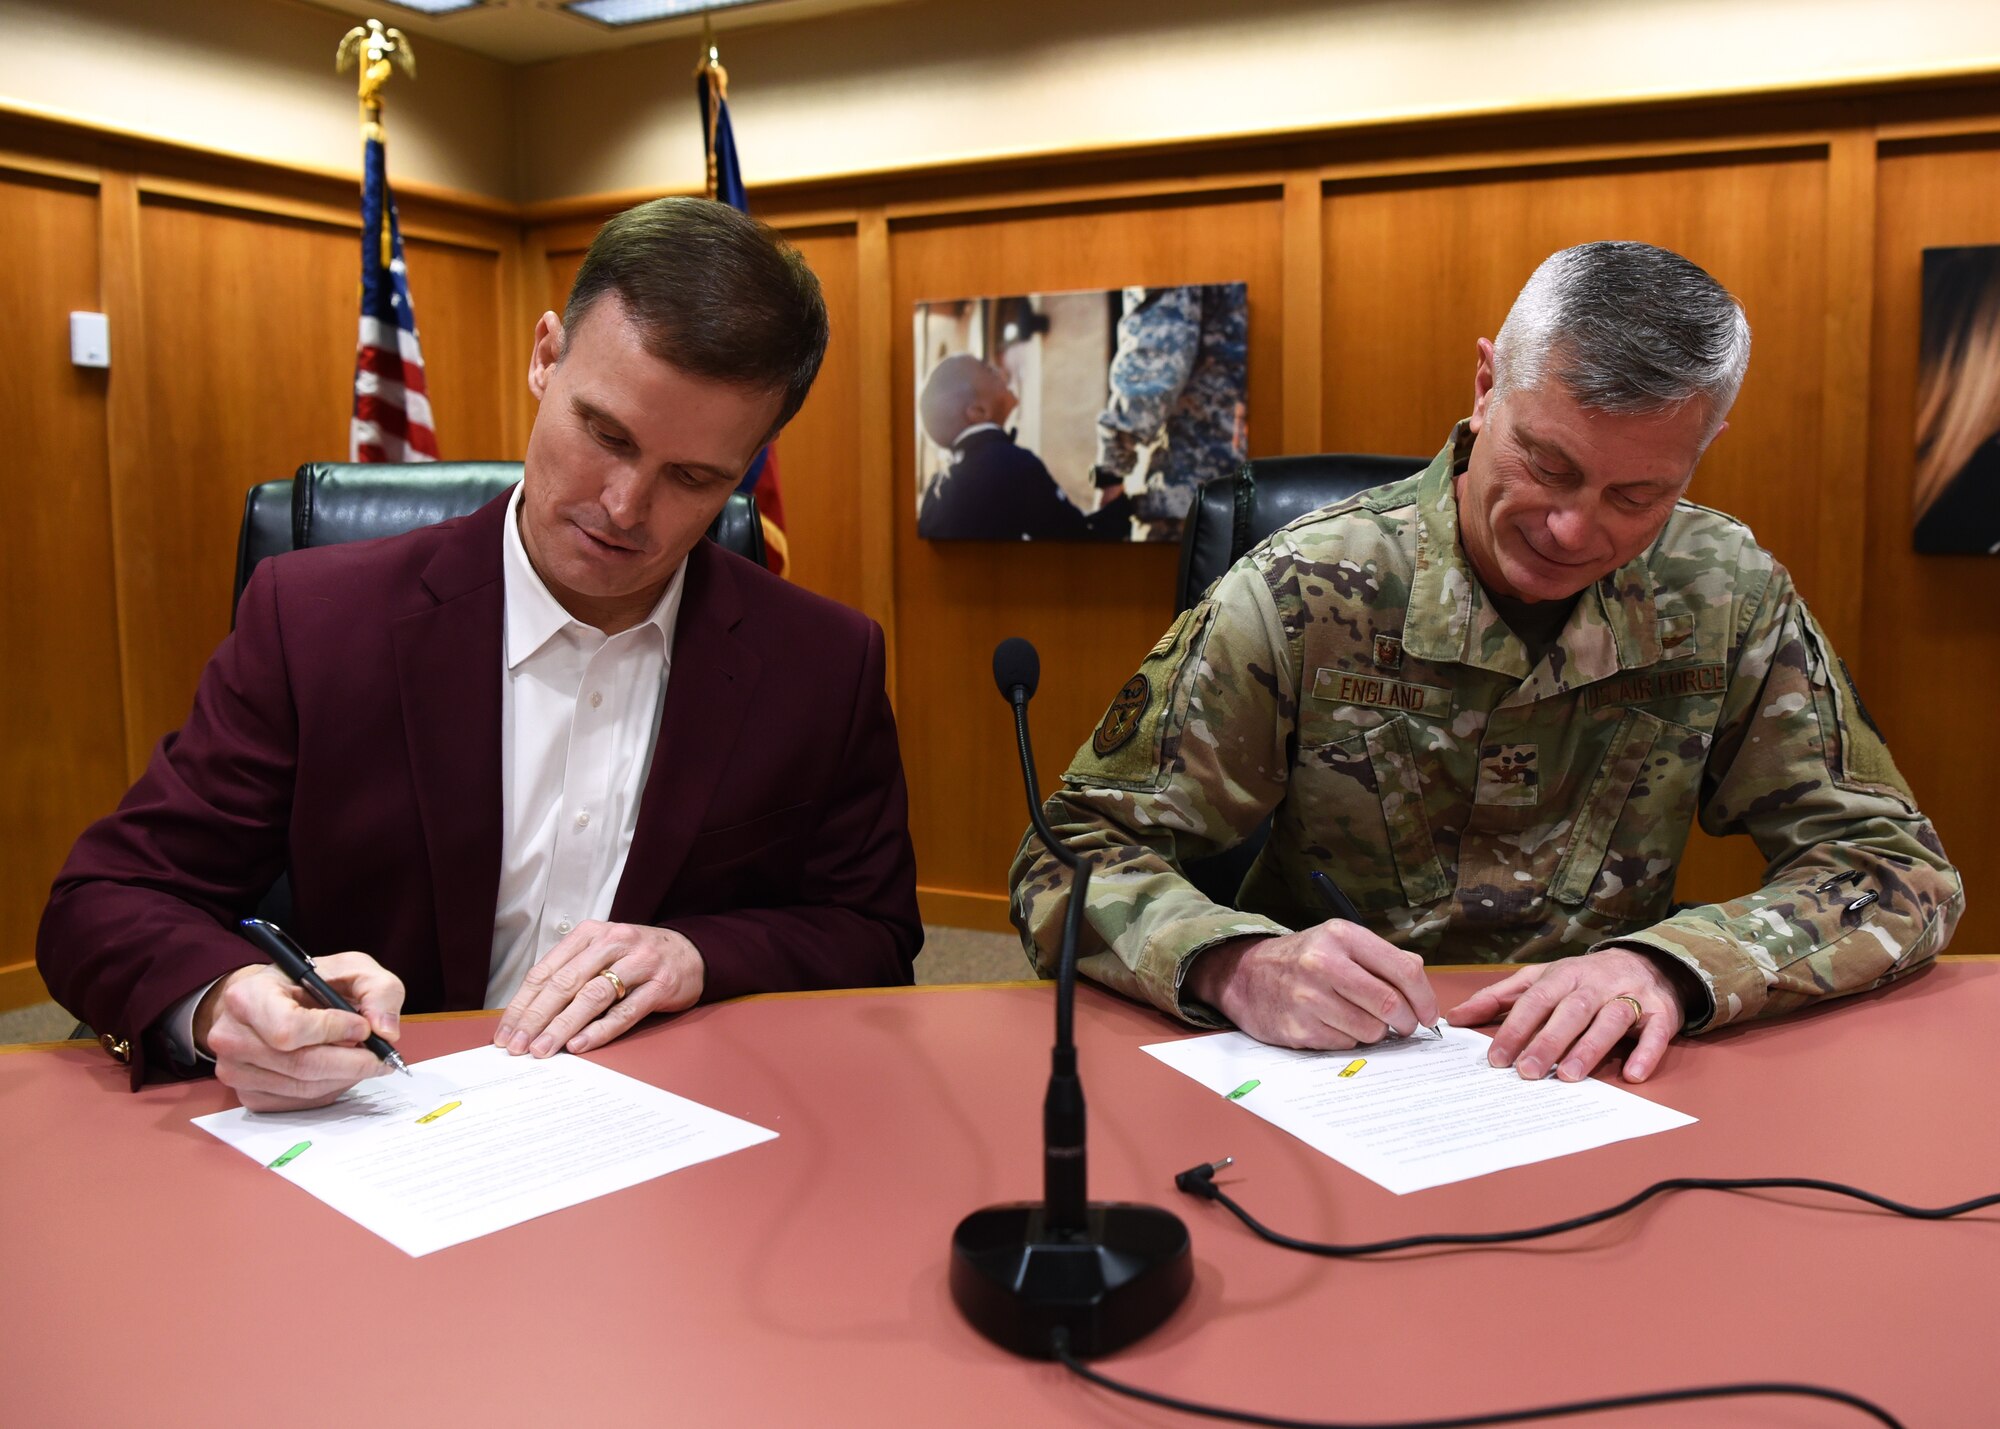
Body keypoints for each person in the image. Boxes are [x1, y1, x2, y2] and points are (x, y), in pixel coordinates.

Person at [40, 197, 922, 1109]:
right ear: (546, 356)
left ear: (748, 465)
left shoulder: (824, 663)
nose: (623, 505)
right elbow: (104, 898)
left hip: (670, 1138)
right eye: (605, 434)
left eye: (692, 477)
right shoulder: (316, 622)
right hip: (375, 1130)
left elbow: (873, 933)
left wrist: (698, 953)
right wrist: (227, 997)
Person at [1012, 241, 1962, 1085]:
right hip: (1333, 1076)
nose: (1573, 527)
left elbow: (1894, 868)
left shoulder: (1724, 593)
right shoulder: (1307, 588)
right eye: (1547, 464)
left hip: (1610, 1078)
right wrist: (1232, 962)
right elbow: (1065, 860)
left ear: (1705, 448)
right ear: (1485, 385)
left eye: (1639, 494)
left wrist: (1669, 965)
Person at [918, 353, 1130, 540]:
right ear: (978, 411)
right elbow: (1079, 545)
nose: (1001, 370)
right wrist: (1116, 501)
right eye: (988, 370)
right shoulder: (1009, 464)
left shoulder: (936, 490)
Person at [1094, 284, 1248, 537]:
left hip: (1186, 492)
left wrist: (1110, 470)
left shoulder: (1170, 256)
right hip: (1237, 491)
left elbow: (1155, 364)